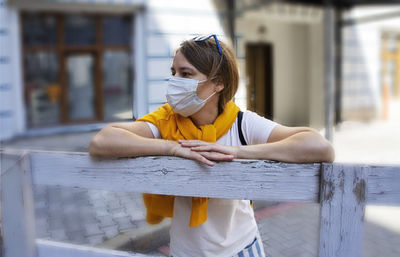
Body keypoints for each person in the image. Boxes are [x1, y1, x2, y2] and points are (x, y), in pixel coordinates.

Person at [89, 34, 334, 257]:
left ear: (218, 83)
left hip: (241, 249)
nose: (175, 80)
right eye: (173, 72)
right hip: (183, 252)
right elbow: (103, 141)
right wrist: (171, 148)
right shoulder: (166, 121)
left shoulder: (242, 124)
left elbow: (319, 147)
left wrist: (238, 152)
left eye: (186, 74)